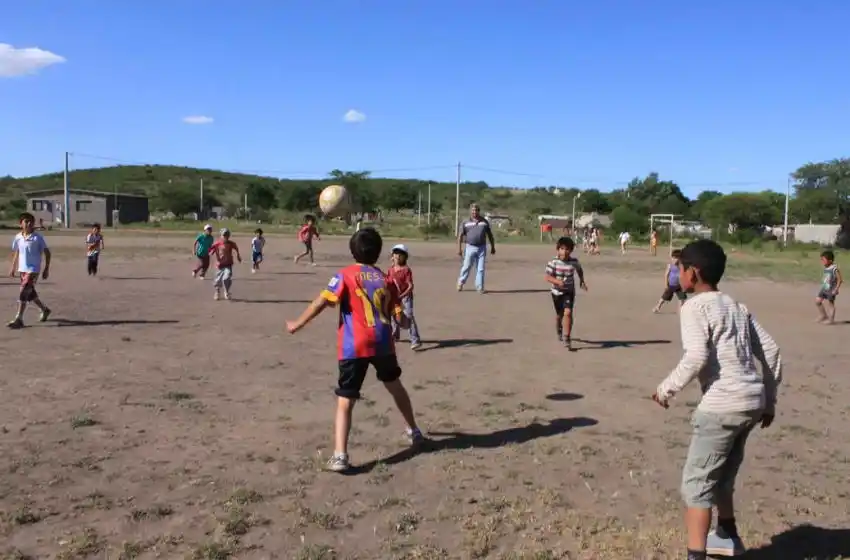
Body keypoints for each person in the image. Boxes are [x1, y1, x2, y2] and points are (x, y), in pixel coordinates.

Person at [651, 239, 783, 560]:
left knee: (697, 486)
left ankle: (696, 555)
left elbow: (696, 355)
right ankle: (726, 535)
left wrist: (666, 389)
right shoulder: (736, 306)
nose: (676, 274)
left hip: (722, 405)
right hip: (751, 401)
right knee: (722, 474)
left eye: (679, 269)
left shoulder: (694, 306)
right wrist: (769, 400)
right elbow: (773, 351)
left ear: (692, 273)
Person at [285, 228, 424, 472]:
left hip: (354, 345)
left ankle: (340, 456)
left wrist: (298, 323)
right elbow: (401, 319)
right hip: (382, 344)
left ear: (352, 251)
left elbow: (322, 301)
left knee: (345, 400)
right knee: (395, 386)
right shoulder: (386, 279)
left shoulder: (346, 275)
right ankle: (414, 430)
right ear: (379, 252)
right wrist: (403, 319)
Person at [7, 213, 52, 329]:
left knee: (23, 292)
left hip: (33, 270)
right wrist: (13, 267)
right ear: (20, 224)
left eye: (31, 221)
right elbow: (17, 252)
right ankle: (44, 309)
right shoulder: (18, 237)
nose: (29, 224)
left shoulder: (37, 238)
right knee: (30, 294)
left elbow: (47, 253)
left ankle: (19, 319)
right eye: (26, 221)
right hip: (22, 269)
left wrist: (46, 269)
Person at [544, 237, 587, 350]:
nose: (564, 251)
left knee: (568, 313)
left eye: (567, 249)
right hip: (556, 293)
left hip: (569, 292)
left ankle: (567, 337)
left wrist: (582, 280)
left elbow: (579, 270)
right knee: (559, 315)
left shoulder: (574, 262)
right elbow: (547, 277)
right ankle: (559, 329)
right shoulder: (553, 262)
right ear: (558, 249)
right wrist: (557, 281)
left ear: (571, 251)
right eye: (562, 249)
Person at [387, 244, 421, 350]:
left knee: (409, 317)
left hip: (405, 298)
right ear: (392, 256)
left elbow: (410, 286)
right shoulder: (391, 270)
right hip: (394, 298)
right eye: (395, 254)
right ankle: (395, 335)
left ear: (404, 257)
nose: (397, 256)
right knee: (394, 316)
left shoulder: (406, 270)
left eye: (400, 254)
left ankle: (415, 339)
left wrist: (402, 295)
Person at [456, 204, 495, 293]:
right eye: (473, 210)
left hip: (481, 248)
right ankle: (460, 282)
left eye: (476, 210)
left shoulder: (484, 222)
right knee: (466, 266)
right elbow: (460, 236)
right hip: (470, 247)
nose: (474, 212)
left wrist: (493, 247)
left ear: (479, 211)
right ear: (470, 211)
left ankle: (479, 287)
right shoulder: (465, 222)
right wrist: (459, 249)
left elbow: (490, 235)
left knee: (480, 268)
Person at [210, 228, 242, 301]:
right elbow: (211, 249)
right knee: (218, 280)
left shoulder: (231, 243)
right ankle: (217, 292)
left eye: (227, 235)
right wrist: (211, 252)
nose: (225, 237)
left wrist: (238, 255)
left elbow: (236, 248)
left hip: (228, 264)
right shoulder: (217, 243)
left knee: (226, 278)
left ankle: (226, 292)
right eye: (224, 235)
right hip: (220, 265)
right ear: (221, 236)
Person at [815, 249, 842, 324]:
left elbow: (840, 280)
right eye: (821, 260)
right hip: (824, 288)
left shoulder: (834, 269)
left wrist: (836, 289)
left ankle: (831, 320)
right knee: (817, 301)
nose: (822, 261)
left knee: (831, 304)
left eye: (823, 260)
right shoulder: (826, 268)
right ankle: (823, 315)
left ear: (830, 260)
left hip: (831, 289)